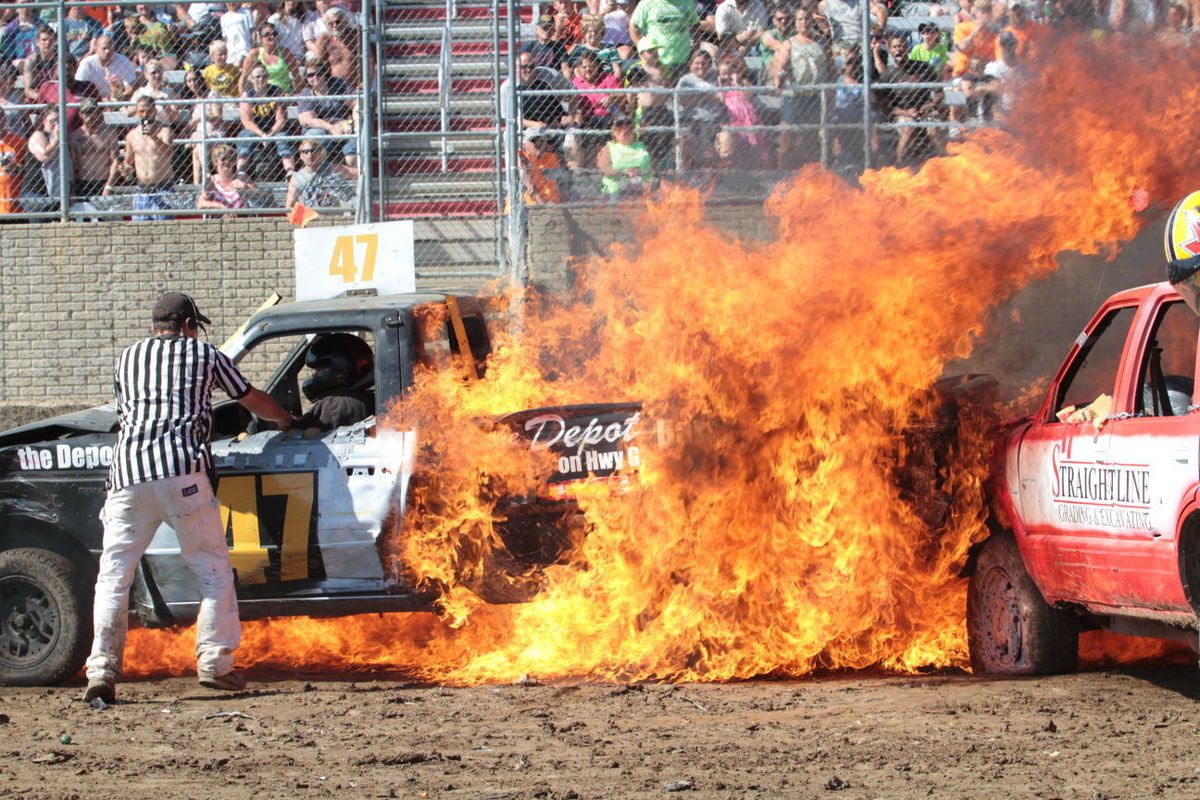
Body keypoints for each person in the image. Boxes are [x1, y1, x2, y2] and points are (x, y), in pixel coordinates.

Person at [82, 292, 296, 704]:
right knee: (213, 572)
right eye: (194, 326)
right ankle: (216, 664)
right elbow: (250, 399)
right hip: (182, 474)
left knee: (113, 579)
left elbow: (128, 412)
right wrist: (286, 418)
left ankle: (101, 671)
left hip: (127, 476)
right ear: (186, 325)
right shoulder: (204, 353)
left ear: (154, 326)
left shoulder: (127, 358)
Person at [292, 333, 375, 431]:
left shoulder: (331, 405)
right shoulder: (370, 398)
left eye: (320, 369)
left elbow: (297, 434)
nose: (316, 375)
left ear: (341, 366)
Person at [237, 63, 296, 177]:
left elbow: (281, 119)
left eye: (264, 76)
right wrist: (262, 134)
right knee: (245, 137)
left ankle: (290, 171)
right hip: (255, 129)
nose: (261, 79)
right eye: (257, 77)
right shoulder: (247, 94)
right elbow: (247, 121)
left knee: (283, 138)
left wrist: (271, 133)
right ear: (251, 79)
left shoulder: (275, 92)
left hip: (274, 129)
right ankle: (241, 172)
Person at [124, 95, 176, 220]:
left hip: (163, 188)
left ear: (155, 111)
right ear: (137, 113)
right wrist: (126, 168)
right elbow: (128, 161)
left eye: (149, 111)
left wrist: (154, 137)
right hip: (142, 190)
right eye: (142, 111)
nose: (146, 114)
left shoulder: (165, 131)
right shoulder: (131, 135)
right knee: (139, 231)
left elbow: (169, 153)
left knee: (164, 229)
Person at [297, 60, 357, 166]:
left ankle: (354, 174)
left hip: (344, 127)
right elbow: (307, 121)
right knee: (315, 135)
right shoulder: (306, 93)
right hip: (323, 130)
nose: (315, 77)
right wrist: (331, 127)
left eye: (319, 73)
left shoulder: (338, 84)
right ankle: (321, 173)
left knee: (351, 158)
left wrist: (353, 124)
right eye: (310, 75)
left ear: (325, 73)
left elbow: (355, 104)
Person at [628, 0, 699, 81]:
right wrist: (643, 49)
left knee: (682, 92)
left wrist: (695, 51)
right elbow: (633, 27)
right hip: (657, 63)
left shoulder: (687, 2)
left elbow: (696, 26)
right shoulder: (646, 3)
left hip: (684, 61)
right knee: (659, 92)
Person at [284, 136, 357, 209]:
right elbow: (289, 206)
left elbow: (361, 174)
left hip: (338, 215)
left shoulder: (334, 168)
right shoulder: (296, 178)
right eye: (305, 152)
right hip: (311, 217)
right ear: (301, 156)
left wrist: (358, 189)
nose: (309, 155)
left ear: (319, 152)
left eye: (313, 151)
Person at [70, 97, 119, 199]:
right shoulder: (75, 136)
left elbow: (115, 160)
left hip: (103, 182)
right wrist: (72, 188)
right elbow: (72, 164)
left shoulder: (109, 133)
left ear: (98, 113)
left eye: (93, 111)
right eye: (87, 112)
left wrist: (109, 185)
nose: (90, 116)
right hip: (82, 184)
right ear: (81, 115)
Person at [596, 113, 652, 200]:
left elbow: (651, 166)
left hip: (642, 186)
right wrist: (624, 172)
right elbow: (604, 168)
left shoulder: (642, 146)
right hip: (618, 187)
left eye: (628, 128)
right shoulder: (609, 148)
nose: (623, 132)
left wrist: (641, 171)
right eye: (619, 129)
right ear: (614, 132)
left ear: (633, 130)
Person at [239, 21, 302, 94]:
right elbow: (243, 77)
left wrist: (298, 96)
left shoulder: (285, 53)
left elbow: (297, 77)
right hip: (263, 94)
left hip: (284, 94)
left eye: (274, 34)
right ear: (260, 38)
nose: (272, 37)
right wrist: (242, 97)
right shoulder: (255, 54)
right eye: (267, 34)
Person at [28, 108, 72, 209]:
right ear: (44, 121)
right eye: (52, 121)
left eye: (58, 121)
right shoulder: (38, 135)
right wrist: (57, 139)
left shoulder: (63, 139)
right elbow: (45, 156)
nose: (56, 124)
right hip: (36, 192)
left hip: (54, 194)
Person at [75, 35, 139, 99]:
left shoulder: (123, 60)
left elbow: (129, 87)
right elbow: (80, 87)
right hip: (94, 101)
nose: (108, 51)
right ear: (96, 49)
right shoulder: (87, 63)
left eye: (111, 48)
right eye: (104, 48)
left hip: (118, 100)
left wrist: (118, 98)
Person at [198, 142, 258, 208]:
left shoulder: (241, 177)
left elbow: (260, 195)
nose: (227, 162)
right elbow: (200, 203)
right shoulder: (212, 180)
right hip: (221, 216)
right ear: (216, 161)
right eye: (223, 159)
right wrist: (220, 206)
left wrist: (245, 187)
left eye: (230, 159)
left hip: (242, 216)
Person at [312, 7, 360, 87]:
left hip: (357, 86)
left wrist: (364, 84)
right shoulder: (324, 40)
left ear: (345, 22)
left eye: (338, 22)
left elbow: (371, 61)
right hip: (335, 87)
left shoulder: (356, 36)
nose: (335, 25)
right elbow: (317, 64)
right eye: (331, 23)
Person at [127, 58, 180, 125]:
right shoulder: (140, 92)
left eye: (159, 72)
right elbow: (129, 113)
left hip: (163, 127)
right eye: (153, 72)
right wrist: (145, 102)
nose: (157, 75)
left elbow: (176, 119)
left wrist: (166, 105)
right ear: (146, 75)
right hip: (144, 126)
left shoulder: (168, 93)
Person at [21, 26, 58, 102]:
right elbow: (27, 90)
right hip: (39, 97)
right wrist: (43, 97)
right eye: (44, 40)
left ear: (55, 41)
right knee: (26, 101)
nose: (47, 43)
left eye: (51, 40)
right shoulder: (31, 61)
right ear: (37, 42)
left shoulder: (60, 59)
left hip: (57, 95)